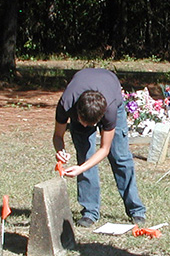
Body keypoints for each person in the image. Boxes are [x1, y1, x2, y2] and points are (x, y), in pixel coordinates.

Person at [53, 68, 147, 228]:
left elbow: (105, 149)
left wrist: (80, 169)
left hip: (111, 92)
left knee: (121, 158)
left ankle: (136, 210)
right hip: (82, 96)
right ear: (77, 113)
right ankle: (90, 212)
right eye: (83, 122)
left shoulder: (110, 110)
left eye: (91, 125)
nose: (85, 127)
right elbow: (57, 136)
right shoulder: (66, 104)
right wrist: (60, 150)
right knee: (84, 156)